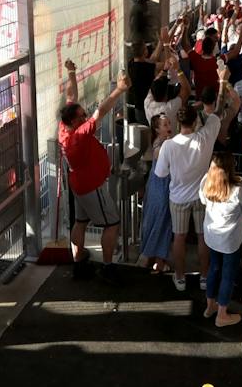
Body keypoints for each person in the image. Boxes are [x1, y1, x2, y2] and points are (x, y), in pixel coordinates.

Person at [155, 69, 234, 291]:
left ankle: (179, 277)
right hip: (202, 195)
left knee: (178, 237)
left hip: (178, 198)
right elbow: (216, 113)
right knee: (202, 237)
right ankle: (204, 276)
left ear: (178, 122)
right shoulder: (206, 136)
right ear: (195, 120)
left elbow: (160, 173)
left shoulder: (169, 146)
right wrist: (220, 81)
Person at [58, 65, 131, 284]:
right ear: (74, 122)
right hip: (91, 186)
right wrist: (119, 90)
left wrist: (72, 72)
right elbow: (102, 111)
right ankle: (108, 268)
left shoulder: (64, 128)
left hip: (78, 184)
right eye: (82, 116)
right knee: (112, 223)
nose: (86, 116)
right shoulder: (79, 135)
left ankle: (79, 260)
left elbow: (71, 95)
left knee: (80, 221)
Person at [199, 158, 242, 328]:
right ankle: (222, 314)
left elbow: (203, 199)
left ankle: (210, 306)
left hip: (212, 236)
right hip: (230, 240)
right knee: (228, 274)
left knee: (214, 268)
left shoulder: (205, 182)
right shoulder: (238, 191)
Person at [139, 115, 177, 276]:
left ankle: (155, 259)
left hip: (159, 187)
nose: (168, 125)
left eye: (168, 123)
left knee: (159, 221)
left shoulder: (166, 143)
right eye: (164, 124)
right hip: (161, 189)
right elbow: (160, 156)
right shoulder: (160, 146)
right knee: (161, 221)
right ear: (156, 129)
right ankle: (156, 260)